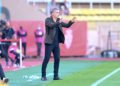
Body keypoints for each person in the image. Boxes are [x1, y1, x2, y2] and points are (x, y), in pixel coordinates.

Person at [41, 8, 76, 81]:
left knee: (57, 59)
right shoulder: (48, 20)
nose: (58, 13)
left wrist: (71, 22)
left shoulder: (58, 21)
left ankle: (55, 76)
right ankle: (43, 76)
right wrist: (58, 22)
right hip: (49, 43)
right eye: (57, 12)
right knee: (46, 59)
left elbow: (66, 25)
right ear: (52, 13)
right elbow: (51, 26)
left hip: (56, 44)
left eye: (58, 12)